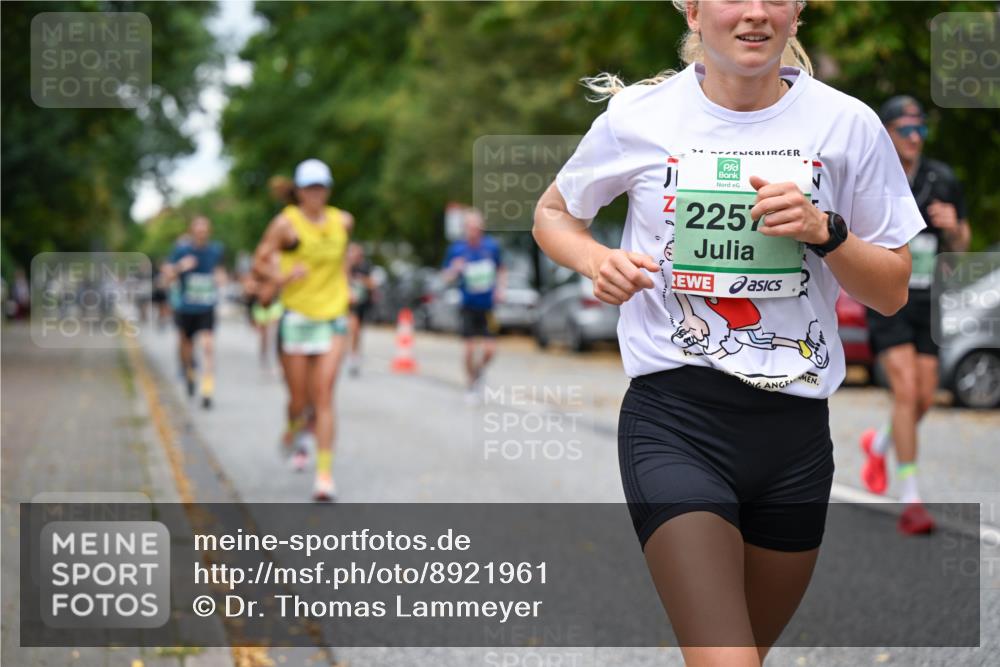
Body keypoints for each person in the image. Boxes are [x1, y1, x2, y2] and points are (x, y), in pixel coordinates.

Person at [533, 1, 923, 663]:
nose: (754, 12)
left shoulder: (847, 124)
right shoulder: (639, 120)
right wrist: (599, 261)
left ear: (797, 11)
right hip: (676, 423)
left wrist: (823, 229)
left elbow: (891, 289)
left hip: (795, 440)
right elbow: (553, 213)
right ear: (691, 8)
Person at [859, 95, 970, 535]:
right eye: (905, 129)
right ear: (886, 132)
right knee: (905, 392)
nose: (914, 137)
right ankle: (911, 499)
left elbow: (963, 244)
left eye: (920, 128)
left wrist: (954, 226)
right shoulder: (873, 178)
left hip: (930, 298)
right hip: (889, 297)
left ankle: (880, 442)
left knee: (924, 397)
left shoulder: (941, 179)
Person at [252, 159, 353, 501]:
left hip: (332, 318)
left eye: (321, 187)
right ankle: (294, 427)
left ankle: (324, 476)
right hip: (297, 318)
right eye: (309, 188)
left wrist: (346, 284)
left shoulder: (343, 221)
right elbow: (258, 262)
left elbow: (339, 261)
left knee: (323, 395)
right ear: (298, 191)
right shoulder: (286, 225)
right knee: (299, 400)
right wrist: (281, 278)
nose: (316, 194)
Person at [442, 208, 506, 404]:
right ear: (464, 228)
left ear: (482, 228)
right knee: (469, 350)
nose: (473, 230)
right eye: (469, 226)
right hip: (468, 305)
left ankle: (478, 373)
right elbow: (446, 276)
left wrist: (500, 289)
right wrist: (455, 268)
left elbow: (502, 269)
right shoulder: (457, 249)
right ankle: (471, 384)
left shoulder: (492, 247)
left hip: (487, 306)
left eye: (476, 226)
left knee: (489, 350)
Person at [163, 217, 226, 409]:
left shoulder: (216, 250)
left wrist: (220, 277)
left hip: (207, 306)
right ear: (192, 231)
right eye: (198, 230)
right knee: (187, 346)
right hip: (186, 307)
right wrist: (181, 266)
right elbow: (167, 274)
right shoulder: (182, 250)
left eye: (204, 230)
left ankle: (207, 390)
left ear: (209, 232)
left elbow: (221, 272)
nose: (201, 233)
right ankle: (189, 373)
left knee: (208, 346)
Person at [346, 242, 376, 377]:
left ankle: (354, 355)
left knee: (357, 332)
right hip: (348, 304)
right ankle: (351, 355)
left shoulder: (365, 267)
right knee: (353, 327)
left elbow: (372, 284)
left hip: (362, 303)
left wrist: (361, 280)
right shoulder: (345, 267)